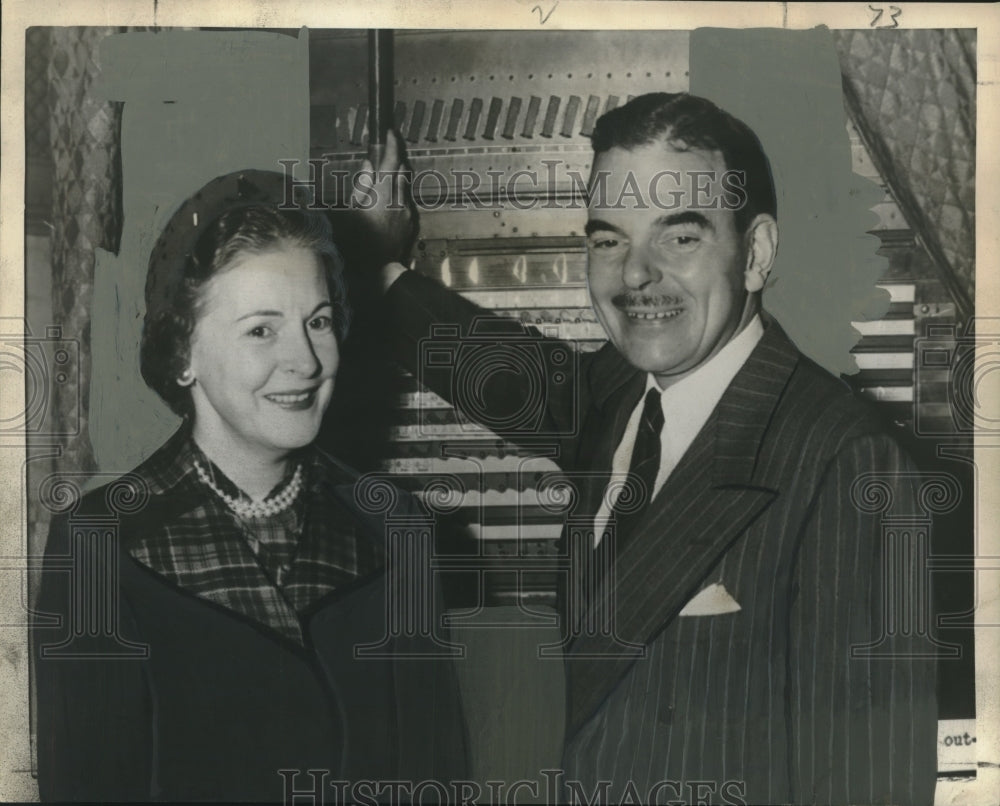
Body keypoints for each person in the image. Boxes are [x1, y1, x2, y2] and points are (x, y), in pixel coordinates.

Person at [360, 94, 938, 804]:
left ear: (754, 255)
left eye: (680, 237)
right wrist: (379, 267)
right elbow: (512, 378)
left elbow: (866, 780)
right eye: (608, 239)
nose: (634, 275)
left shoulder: (848, 464)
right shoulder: (624, 390)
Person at [33, 170, 467, 802]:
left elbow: (438, 777)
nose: (306, 360)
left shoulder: (397, 530)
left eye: (318, 322)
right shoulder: (100, 544)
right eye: (261, 329)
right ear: (184, 351)